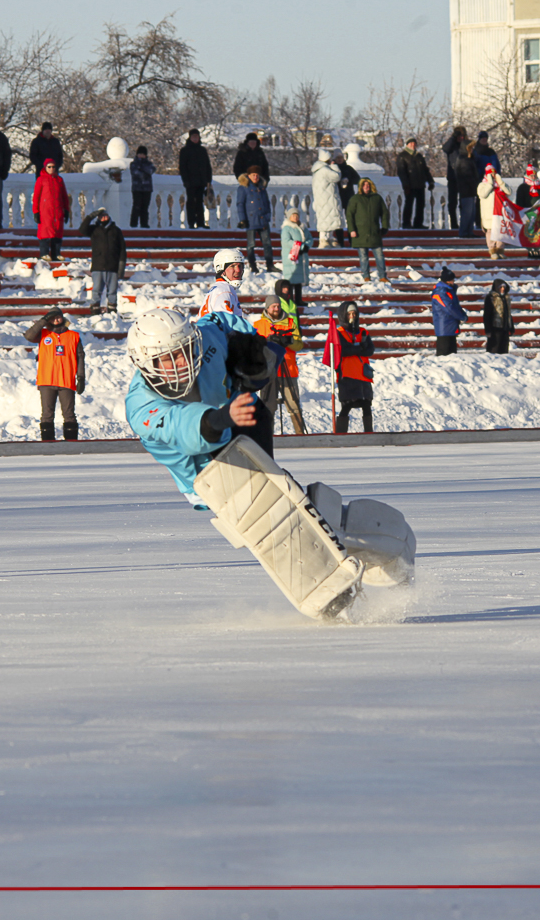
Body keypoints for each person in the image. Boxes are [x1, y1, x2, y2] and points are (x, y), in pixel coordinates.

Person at [124, 306, 412, 619]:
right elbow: (184, 427)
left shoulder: (206, 338)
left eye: (184, 351)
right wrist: (223, 416)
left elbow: (222, 320)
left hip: (245, 421)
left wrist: (250, 341)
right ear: (144, 363)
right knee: (278, 522)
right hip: (211, 469)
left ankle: (369, 543)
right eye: (167, 359)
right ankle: (336, 592)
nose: (180, 364)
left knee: (292, 502)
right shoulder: (140, 406)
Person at [23, 307, 85, 442]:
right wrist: (43, 321)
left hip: (66, 381)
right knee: (47, 415)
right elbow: (28, 335)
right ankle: (47, 443)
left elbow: (80, 357)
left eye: (58, 317)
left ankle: (71, 443)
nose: (56, 320)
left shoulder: (73, 336)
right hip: (46, 381)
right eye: (52, 318)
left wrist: (81, 377)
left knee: (69, 415)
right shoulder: (43, 334)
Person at [253, 297, 306, 434]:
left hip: (288, 369)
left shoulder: (290, 323)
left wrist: (287, 342)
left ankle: (300, 435)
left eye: (278, 306)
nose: (276, 309)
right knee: (268, 407)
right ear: (267, 308)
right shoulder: (259, 324)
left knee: (294, 405)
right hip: (269, 371)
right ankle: (267, 437)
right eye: (273, 306)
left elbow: (299, 345)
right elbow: (253, 347)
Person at [328, 300, 374, 433]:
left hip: (363, 374)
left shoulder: (363, 331)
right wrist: (360, 347)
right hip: (347, 375)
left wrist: (356, 348)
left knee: (366, 404)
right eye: (349, 314)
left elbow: (370, 350)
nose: (352, 316)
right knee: (347, 405)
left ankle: (369, 432)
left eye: (354, 313)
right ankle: (341, 433)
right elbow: (343, 350)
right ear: (343, 315)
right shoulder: (339, 333)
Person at [79, 207, 126, 315]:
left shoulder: (116, 230)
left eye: (105, 215)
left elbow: (122, 250)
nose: (103, 218)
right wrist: (90, 216)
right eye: (101, 216)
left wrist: (121, 267)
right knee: (96, 290)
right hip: (98, 266)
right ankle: (95, 311)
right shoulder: (94, 229)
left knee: (112, 292)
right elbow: (82, 230)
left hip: (112, 266)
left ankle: (112, 312)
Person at [346, 178, 389, 281]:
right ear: (361, 187)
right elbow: (349, 215)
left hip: (374, 232)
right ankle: (366, 276)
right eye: (364, 185)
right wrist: (351, 229)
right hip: (360, 233)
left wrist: (385, 226)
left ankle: (382, 276)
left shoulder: (377, 198)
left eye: (368, 185)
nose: (366, 187)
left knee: (379, 255)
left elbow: (384, 213)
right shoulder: (355, 199)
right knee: (363, 256)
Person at [31, 158, 71, 261]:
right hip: (45, 211)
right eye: (49, 167)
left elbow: (64, 196)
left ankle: (56, 253)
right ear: (45, 168)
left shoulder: (59, 180)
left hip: (57, 210)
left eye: (53, 167)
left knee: (57, 232)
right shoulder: (41, 180)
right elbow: (36, 197)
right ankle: (44, 253)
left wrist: (66, 210)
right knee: (45, 232)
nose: (52, 169)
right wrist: (36, 211)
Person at [235, 169, 274, 273]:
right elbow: (240, 204)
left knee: (267, 244)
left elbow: (267, 203)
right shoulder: (243, 188)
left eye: (257, 175)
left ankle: (270, 265)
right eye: (253, 175)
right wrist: (243, 219)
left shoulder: (262, 188)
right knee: (251, 245)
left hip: (263, 220)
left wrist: (268, 216)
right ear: (248, 176)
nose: (255, 177)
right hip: (250, 220)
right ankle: (253, 265)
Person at [442, 127, 478, 237]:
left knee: (466, 204)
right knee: (452, 202)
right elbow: (446, 148)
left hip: (464, 180)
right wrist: (453, 138)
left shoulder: (466, 148)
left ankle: (466, 226)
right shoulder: (452, 145)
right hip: (453, 177)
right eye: (459, 136)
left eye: (462, 136)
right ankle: (454, 224)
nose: (461, 138)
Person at [199, 248, 249, 320]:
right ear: (221, 269)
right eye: (232, 266)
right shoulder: (225, 290)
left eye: (240, 266)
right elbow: (225, 323)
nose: (238, 270)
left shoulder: (219, 288)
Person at [395, 138, 434, 229]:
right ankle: (406, 223)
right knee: (409, 204)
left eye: (414, 143)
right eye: (411, 143)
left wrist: (430, 181)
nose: (413, 145)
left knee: (421, 205)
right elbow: (401, 172)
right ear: (407, 145)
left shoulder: (419, 156)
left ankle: (418, 223)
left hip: (420, 184)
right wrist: (405, 185)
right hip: (410, 185)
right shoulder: (402, 156)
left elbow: (425, 170)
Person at [178, 128, 213, 229]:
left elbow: (207, 166)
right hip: (190, 181)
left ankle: (200, 223)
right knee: (191, 202)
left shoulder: (202, 150)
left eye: (196, 137)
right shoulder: (185, 150)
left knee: (199, 202)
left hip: (202, 181)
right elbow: (182, 167)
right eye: (193, 137)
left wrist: (208, 181)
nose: (195, 139)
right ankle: (191, 223)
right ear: (190, 137)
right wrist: (186, 180)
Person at [310, 150, 343, 248]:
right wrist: (334, 166)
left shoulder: (318, 170)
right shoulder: (325, 170)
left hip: (323, 198)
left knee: (326, 218)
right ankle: (325, 239)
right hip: (327, 198)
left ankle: (328, 238)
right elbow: (337, 176)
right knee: (327, 218)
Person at [279, 207, 310, 311]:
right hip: (291, 258)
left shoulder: (302, 227)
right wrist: (300, 246)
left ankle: (299, 299)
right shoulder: (287, 228)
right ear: (289, 217)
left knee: (298, 281)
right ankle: (290, 300)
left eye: (297, 215)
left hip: (301, 257)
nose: (295, 217)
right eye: (293, 215)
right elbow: (286, 241)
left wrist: (307, 246)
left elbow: (310, 238)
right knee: (291, 281)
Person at [477, 163, 510, 258]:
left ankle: (500, 250)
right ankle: (492, 250)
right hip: (488, 214)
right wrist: (490, 184)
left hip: (500, 214)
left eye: (494, 174)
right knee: (490, 233)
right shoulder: (482, 185)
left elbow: (509, 192)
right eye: (490, 174)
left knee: (501, 232)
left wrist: (501, 183)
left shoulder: (499, 186)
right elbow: (483, 194)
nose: (492, 176)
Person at [431, 266, 465, 356]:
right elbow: (449, 308)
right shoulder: (441, 292)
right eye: (451, 280)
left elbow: (454, 306)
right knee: (444, 354)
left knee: (452, 355)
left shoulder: (449, 291)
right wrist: (461, 316)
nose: (453, 282)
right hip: (444, 327)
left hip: (450, 326)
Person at [483, 278, 513, 354]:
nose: (502, 289)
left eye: (504, 287)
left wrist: (511, 326)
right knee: (494, 350)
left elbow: (508, 313)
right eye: (500, 287)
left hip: (505, 327)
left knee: (504, 350)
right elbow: (487, 314)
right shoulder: (491, 297)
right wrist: (488, 329)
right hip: (495, 328)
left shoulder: (506, 298)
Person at [129, 146, 155, 228]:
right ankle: (133, 224)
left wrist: (141, 167)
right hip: (137, 188)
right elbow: (136, 172)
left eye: (143, 154)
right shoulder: (133, 164)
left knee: (145, 208)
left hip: (147, 189)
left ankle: (144, 224)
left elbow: (151, 170)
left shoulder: (149, 164)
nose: (141, 155)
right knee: (136, 206)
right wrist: (143, 170)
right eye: (140, 154)